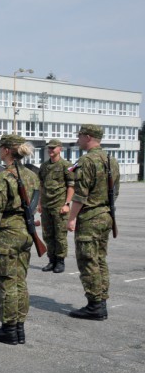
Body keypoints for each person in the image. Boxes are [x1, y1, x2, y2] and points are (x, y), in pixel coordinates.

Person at [0, 135, 39, 345]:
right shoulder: (32, 175)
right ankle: (19, 329)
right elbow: (34, 204)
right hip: (25, 232)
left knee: (6, 282)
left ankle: (8, 329)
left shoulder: (3, 177)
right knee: (19, 281)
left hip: (7, 235)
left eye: (1, 148)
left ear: (7, 150)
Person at [67, 124, 119, 320]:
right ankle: (101, 301)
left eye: (79, 136)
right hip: (106, 215)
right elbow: (115, 191)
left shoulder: (87, 160)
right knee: (99, 259)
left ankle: (94, 305)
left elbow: (80, 195)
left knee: (88, 260)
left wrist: (71, 219)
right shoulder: (110, 160)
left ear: (88, 137)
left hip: (90, 218)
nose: (78, 139)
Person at [37, 139, 75, 273]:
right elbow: (41, 185)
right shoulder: (44, 166)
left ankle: (60, 261)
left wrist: (67, 204)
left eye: (54, 148)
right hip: (46, 206)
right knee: (48, 235)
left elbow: (71, 186)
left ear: (60, 149)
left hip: (60, 206)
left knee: (60, 236)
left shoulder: (67, 166)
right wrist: (40, 203)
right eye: (49, 148)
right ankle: (51, 260)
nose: (51, 150)